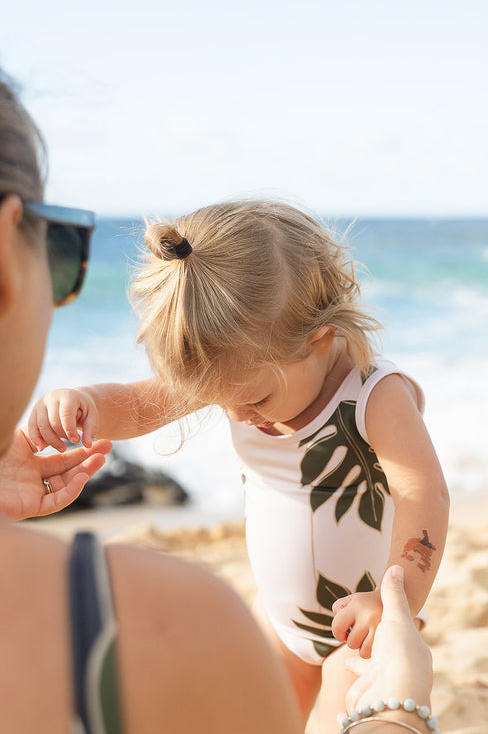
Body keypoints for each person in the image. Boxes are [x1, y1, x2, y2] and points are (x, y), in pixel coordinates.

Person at [0, 66, 441, 734]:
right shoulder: (238, 370)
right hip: (278, 618)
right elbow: (144, 403)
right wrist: (87, 403)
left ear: (318, 338)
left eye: (255, 397)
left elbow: (424, 493)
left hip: (361, 627)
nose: (237, 414)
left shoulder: (372, 397)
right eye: (221, 400)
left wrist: (396, 595)